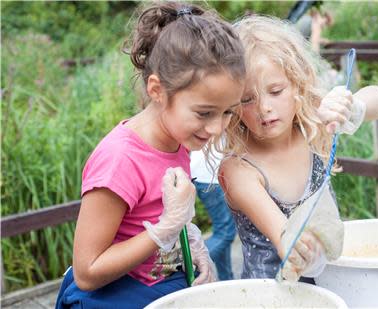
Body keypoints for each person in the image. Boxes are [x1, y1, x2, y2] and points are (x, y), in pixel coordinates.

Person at [55, 2, 246, 308]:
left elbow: (152, 216)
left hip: (159, 285)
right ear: (157, 90)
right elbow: (87, 272)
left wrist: (189, 240)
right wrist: (165, 229)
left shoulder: (178, 139)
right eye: (204, 112)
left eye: (227, 112)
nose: (216, 128)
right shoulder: (120, 160)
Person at [218, 15, 378, 282]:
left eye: (275, 91)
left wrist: (353, 106)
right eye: (247, 99)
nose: (264, 108)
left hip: (332, 285)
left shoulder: (313, 128)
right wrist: (303, 252)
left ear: (298, 83)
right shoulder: (238, 169)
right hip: (271, 297)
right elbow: (287, 240)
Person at [191, 148, 236, 280]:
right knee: (225, 234)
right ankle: (192, 269)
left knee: (221, 230)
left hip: (202, 173)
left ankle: (226, 279)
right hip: (213, 176)